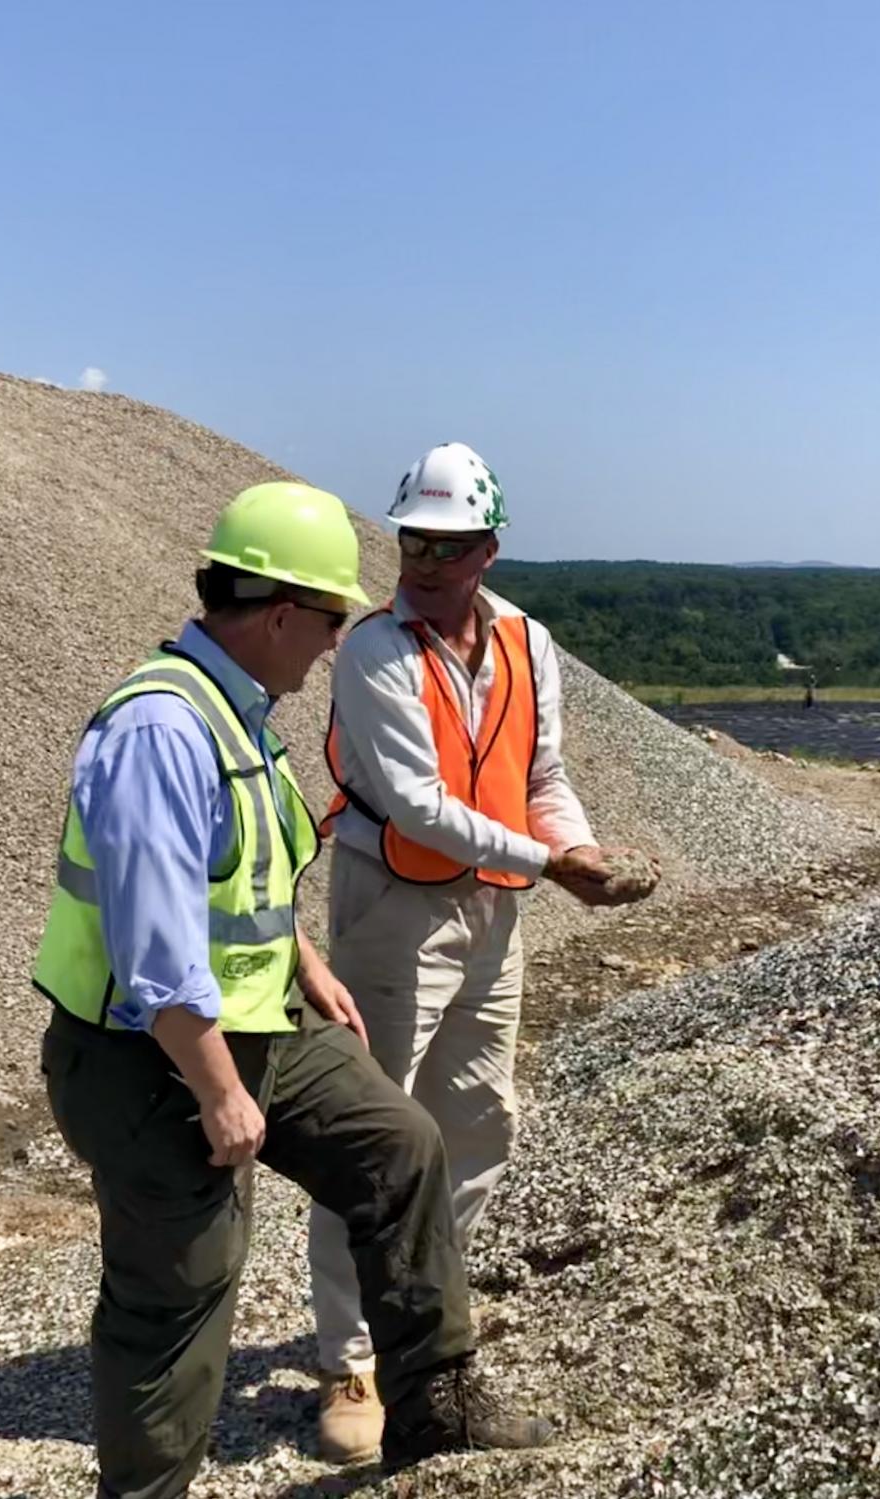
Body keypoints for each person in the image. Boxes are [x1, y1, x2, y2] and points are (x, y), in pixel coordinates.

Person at [32, 481, 554, 1498]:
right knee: (179, 1286)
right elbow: (154, 946)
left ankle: (432, 1413)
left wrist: (302, 958)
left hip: (255, 1017)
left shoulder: (237, 710)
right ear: (277, 613)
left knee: (399, 1143)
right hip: (152, 1055)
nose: (329, 648)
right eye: (323, 621)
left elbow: (243, 879)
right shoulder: (161, 732)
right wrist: (222, 1090)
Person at [305, 444, 658, 1463]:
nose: (421, 556)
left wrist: (578, 843)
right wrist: (555, 862)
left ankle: (427, 1313)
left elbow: (540, 770)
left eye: (446, 543)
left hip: (494, 905)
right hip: (395, 904)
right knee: (369, 1129)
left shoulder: (523, 639)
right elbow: (418, 803)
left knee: (474, 1111)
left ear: (487, 548)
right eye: (411, 536)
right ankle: (351, 1356)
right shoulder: (374, 650)